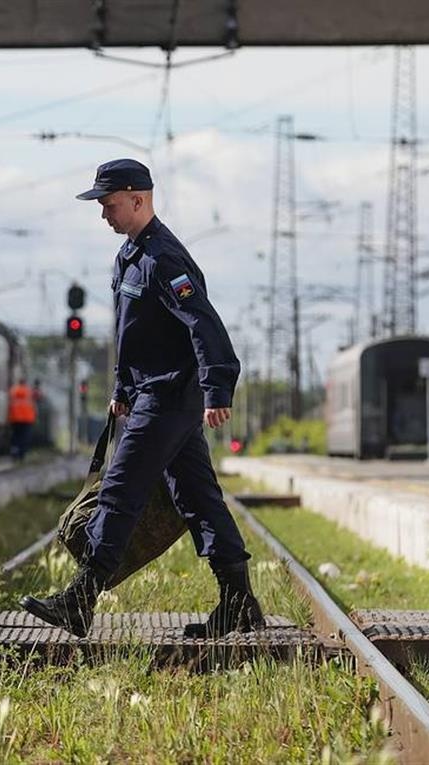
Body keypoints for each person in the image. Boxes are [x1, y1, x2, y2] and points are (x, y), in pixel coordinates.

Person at [21, 159, 264, 638]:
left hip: (171, 395)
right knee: (198, 498)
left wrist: (217, 387)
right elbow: (131, 335)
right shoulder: (130, 256)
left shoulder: (164, 259)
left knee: (120, 489)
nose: (103, 214)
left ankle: (81, 598)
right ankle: (239, 600)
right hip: (152, 393)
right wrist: (121, 390)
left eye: (109, 205)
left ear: (138, 199)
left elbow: (203, 323)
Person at [7, 377, 37, 461]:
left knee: (15, 436)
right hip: (27, 419)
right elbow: (38, 396)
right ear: (25, 382)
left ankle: (14, 452)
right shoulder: (29, 391)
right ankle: (21, 454)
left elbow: (10, 402)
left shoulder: (13, 390)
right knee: (24, 437)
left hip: (15, 418)